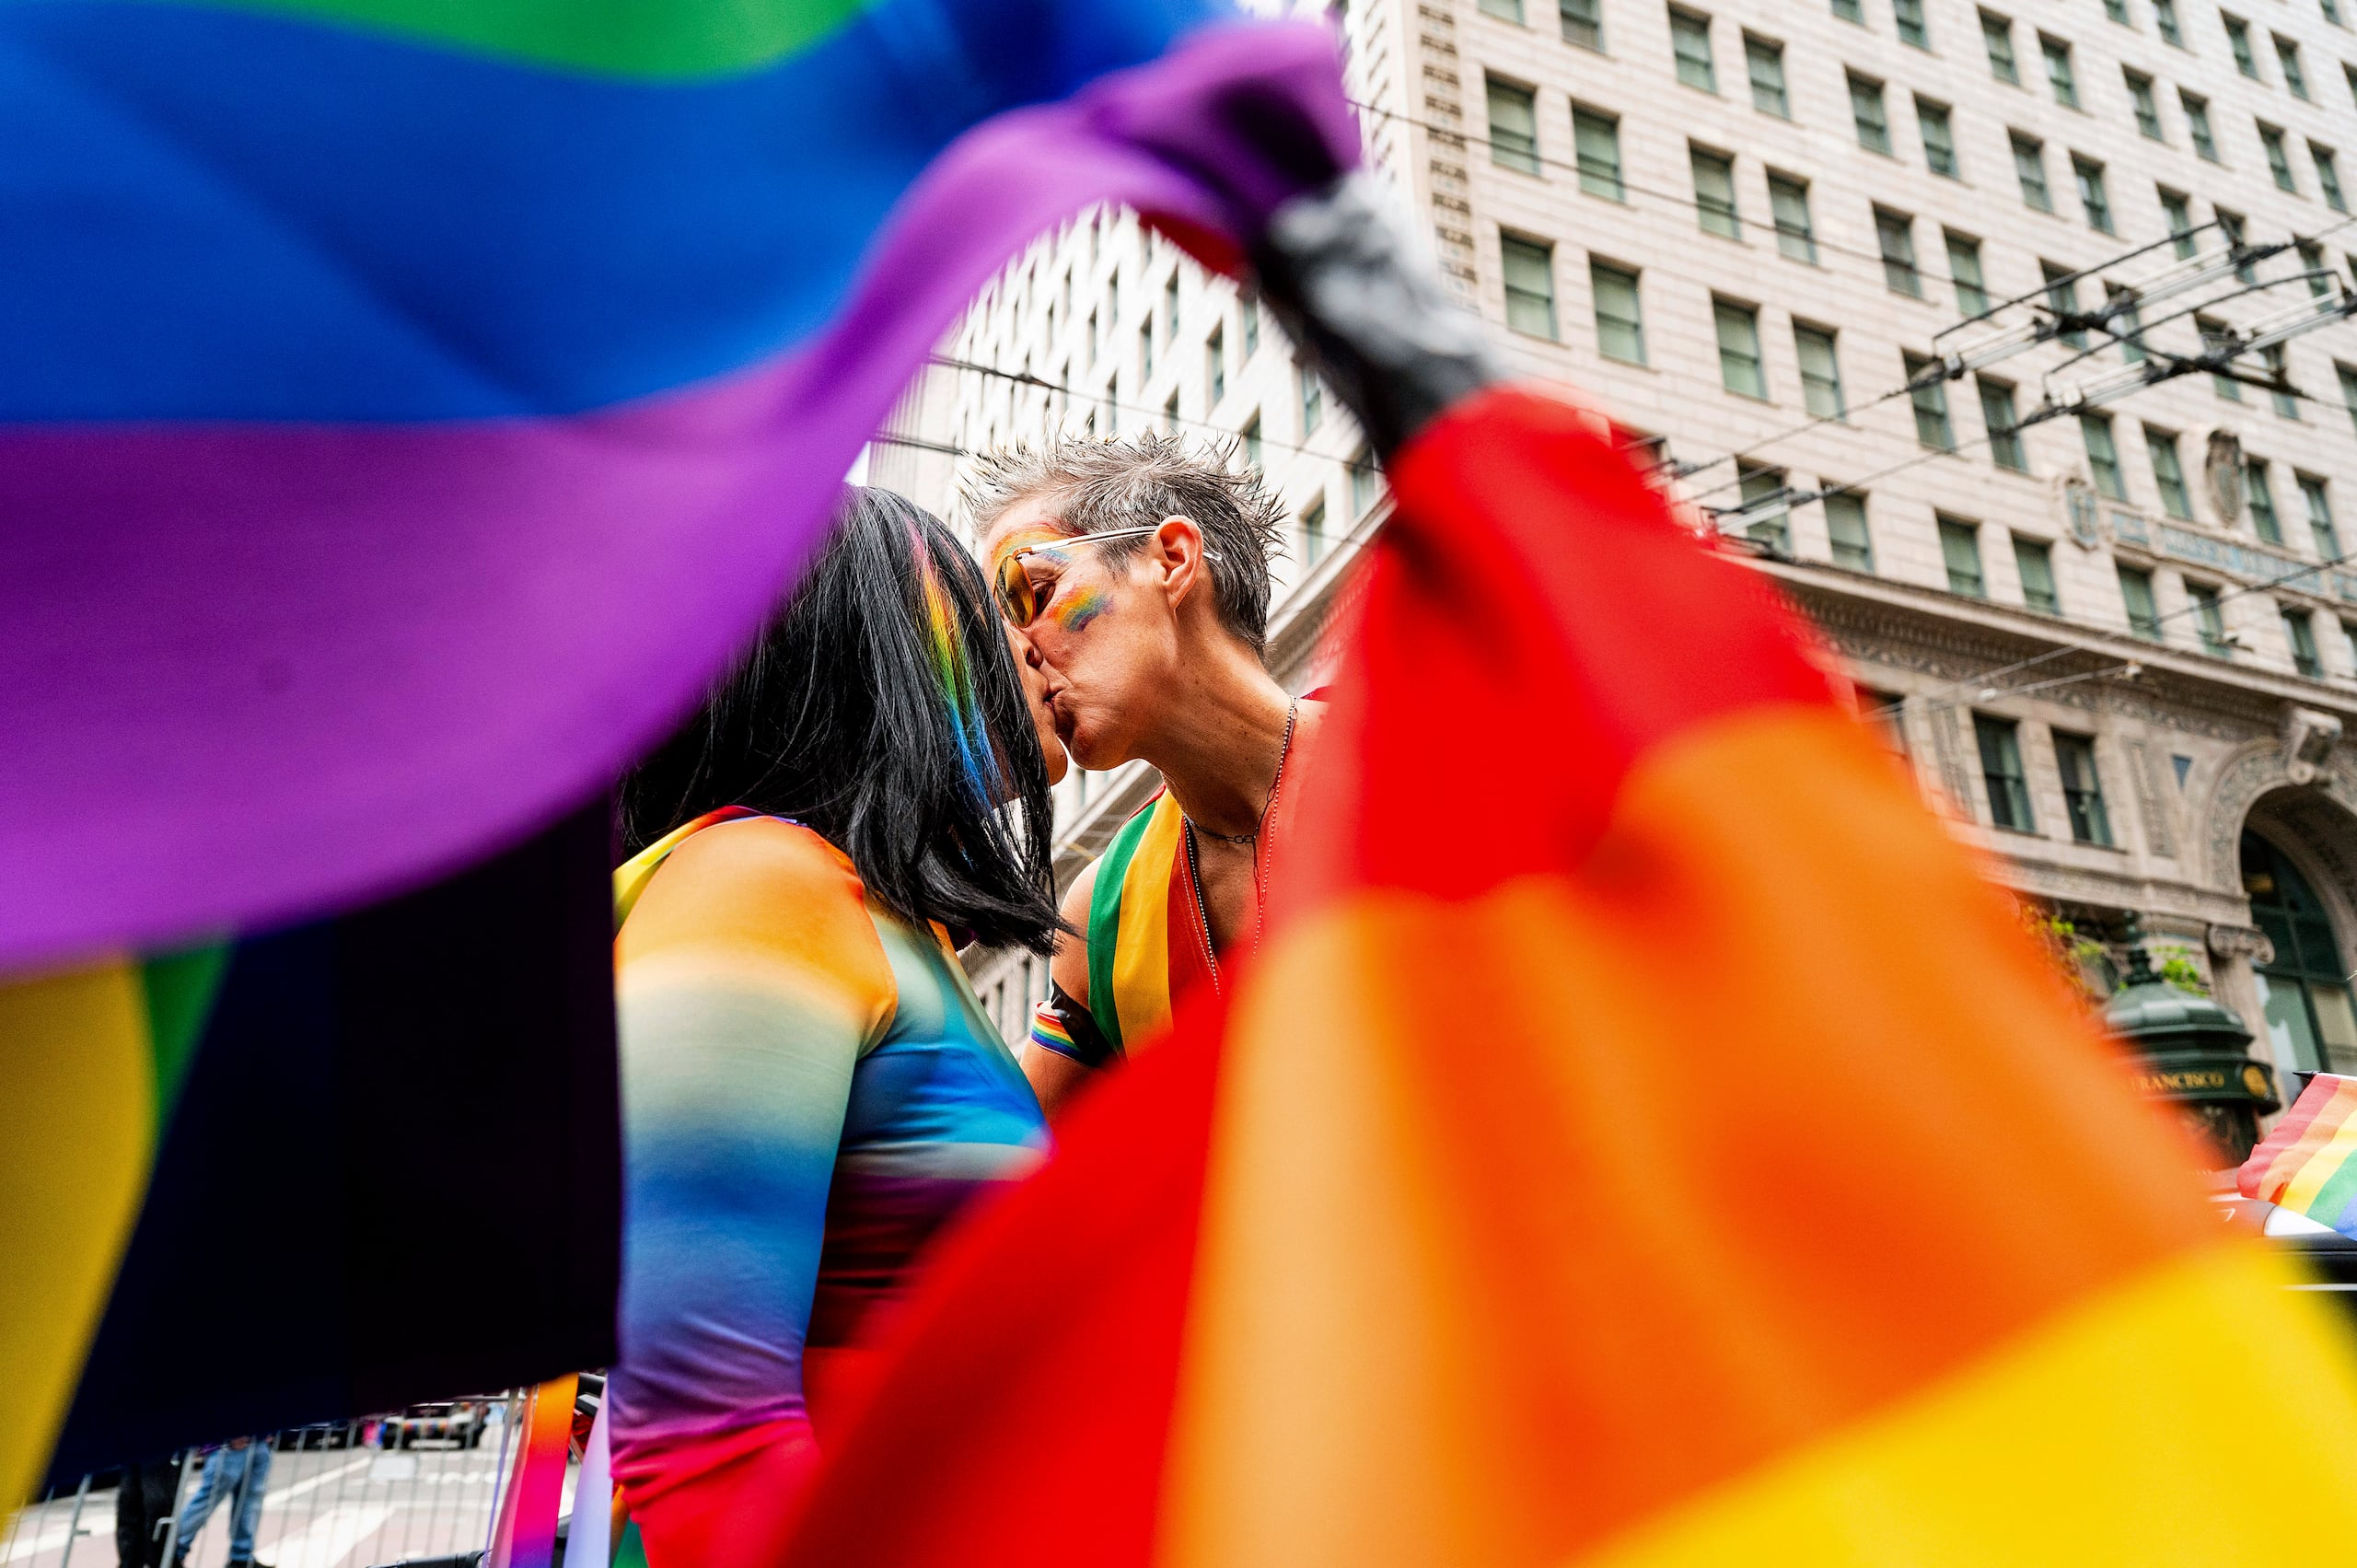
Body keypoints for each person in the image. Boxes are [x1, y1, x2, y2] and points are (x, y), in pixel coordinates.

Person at [605, 487, 1067, 1568]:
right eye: (996, 601)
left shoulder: (892, 926)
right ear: (889, 639)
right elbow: (700, 1441)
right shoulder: (758, 883)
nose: (1038, 639)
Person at [969, 434, 1320, 1118]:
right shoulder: (1104, 911)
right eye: (997, 631)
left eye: (1032, 593)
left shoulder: (1435, 750)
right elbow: (996, 1162)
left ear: (1173, 559)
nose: (1018, 654)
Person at [168, 1437, 271, 1568]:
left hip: (258, 1441)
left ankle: (242, 1557)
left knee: (249, 1503)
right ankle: (172, 1551)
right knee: (206, 1501)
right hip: (228, 1445)